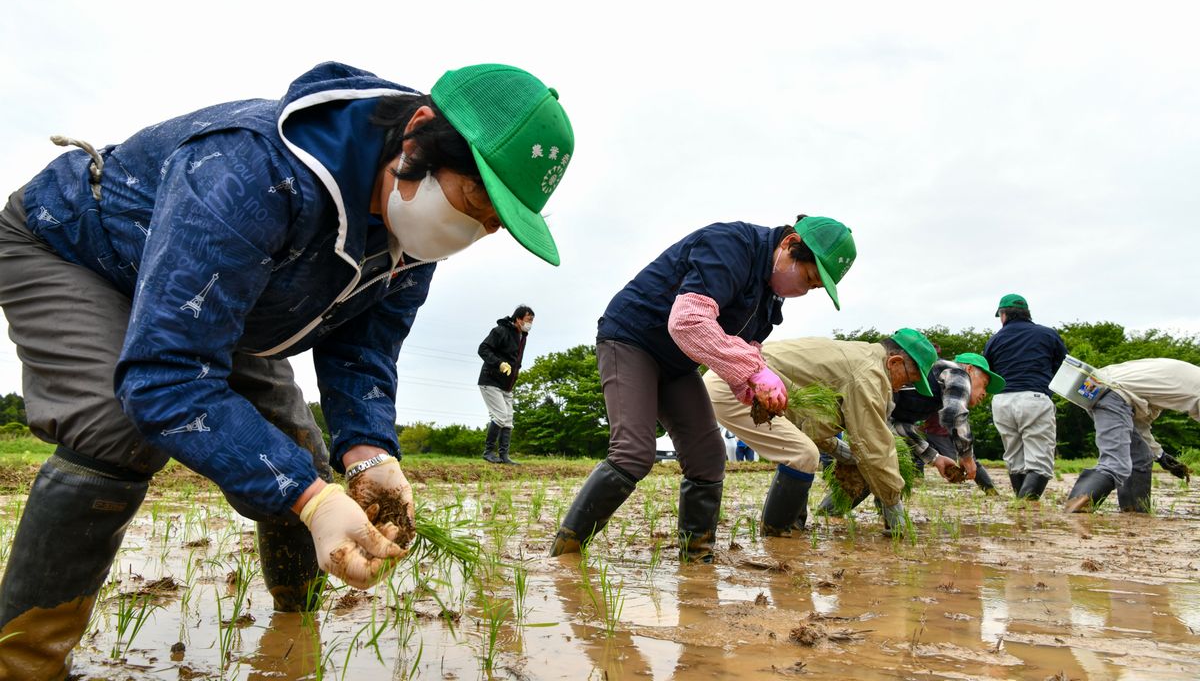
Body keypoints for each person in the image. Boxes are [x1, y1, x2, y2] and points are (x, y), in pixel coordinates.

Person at [0, 61, 575, 679]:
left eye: (495, 224)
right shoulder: (250, 170)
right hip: (79, 251)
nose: (474, 230)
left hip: (228, 301)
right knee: (117, 428)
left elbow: (363, 351)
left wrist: (370, 454)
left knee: (301, 454)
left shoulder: (414, 237)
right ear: (418, 136)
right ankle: (23, 663)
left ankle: (294, 631)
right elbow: (167, 374)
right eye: (475, 199)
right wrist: (309, 500)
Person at [549, 215, 856, 563]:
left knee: (708, 456)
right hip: (632, 338)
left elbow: (737, 348)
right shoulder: (731, 246)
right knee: (633, 451)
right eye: (808, 278)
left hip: (677, 363)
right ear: (789, 245)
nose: (803, 291)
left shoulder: (769, 299)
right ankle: (565, 556)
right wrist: (755, 371)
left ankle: (696, 561)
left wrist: (752, 385)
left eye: (813, 288)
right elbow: (688, 321)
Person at [707, 329, 939, 536]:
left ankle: (793, 529)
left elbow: (809, 421)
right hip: (738, 386)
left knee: (801, 449)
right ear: (895, 362)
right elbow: (874, 444)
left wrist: (840, 450)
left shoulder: (857, 356)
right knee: (803, 455)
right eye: (909, 379)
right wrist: (893, 506)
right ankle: (776, 537)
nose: (901, 387)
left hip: (729, 379)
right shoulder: (870, 373)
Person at [1063, 358, 1198, 513]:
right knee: (1115, 464)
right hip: (1115, 392)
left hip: (1097, 386)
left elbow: (1139, 428)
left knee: (1141, 456)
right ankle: (1073, 510)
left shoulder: (1160, 389)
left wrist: (1160, 456)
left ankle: (1134, 512)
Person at [983, 293, 1066, 501]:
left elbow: (988, 373)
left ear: (1003, 315)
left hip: (1002, 401)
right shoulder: (1047, 334)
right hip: (1034, 397)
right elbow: (1062, 368)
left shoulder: (994, 341)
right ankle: (1025, 507)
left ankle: (1021, 507)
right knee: (1039, 459)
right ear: (1027, 313)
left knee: (1014, 458)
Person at [890, 353, 1005, 497]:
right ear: (969, 369)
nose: (985, 393)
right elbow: (955, 412)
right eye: (985, 384)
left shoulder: (932, 395)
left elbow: (899, 425)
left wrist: (935, 458)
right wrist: (966, 456)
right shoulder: (957, 372)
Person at [478, 305, 534, 464]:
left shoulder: (522, 335)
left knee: (508, 419)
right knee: (500, 415)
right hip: (490, 380)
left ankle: (504, 456)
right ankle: (488, 452)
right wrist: (499, 363)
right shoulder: (500, 331)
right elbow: (482, 349)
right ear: (518, 319)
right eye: (528, 320)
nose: (530, 324)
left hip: (507, 385)